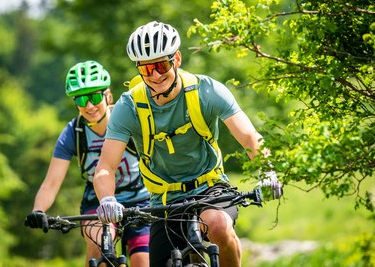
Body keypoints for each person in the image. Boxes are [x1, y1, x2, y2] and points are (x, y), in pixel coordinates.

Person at [93, 21, 281, 267]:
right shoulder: (129, 106)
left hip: (210, 186)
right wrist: (107, 199)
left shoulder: (207, 91)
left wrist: (267, 169)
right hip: (163, 199)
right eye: (147, 69)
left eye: (161, 65)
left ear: (177, 59)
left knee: (218, 226)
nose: (156, 75)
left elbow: (249, 137)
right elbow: (106, 166)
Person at [25, 60, 150, 267]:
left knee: (142, 261)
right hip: (97, 203)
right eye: (82, 99)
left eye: (93, 96)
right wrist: (38, 210)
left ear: (107, 94)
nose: (89, 106)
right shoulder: (74, 133)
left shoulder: (128, 120)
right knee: (101, 241)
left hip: (140, 199)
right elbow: (51, 183)